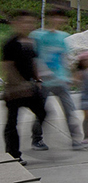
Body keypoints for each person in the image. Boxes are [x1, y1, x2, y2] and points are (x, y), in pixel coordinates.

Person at [32, 9, 82, 149]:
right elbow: (34, 58)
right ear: (49, 18)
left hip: (60, 80)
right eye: (55, 17)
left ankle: (76, 140)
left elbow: (63, 58)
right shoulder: (38, 36)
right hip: (44, 81)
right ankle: (37, 139)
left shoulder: (63, 37)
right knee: (41, 112)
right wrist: (37, 78)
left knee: (69, 110)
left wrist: (69, 76)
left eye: (61, 18)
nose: (58, 21)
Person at [3, 12, 48, 164]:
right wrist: (20, 84)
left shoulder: (30, 41)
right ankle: (13, 155)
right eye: (25, 22)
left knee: (43, 112)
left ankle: (36, 137)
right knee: (12, 123)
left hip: (30, 87)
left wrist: (37, 79)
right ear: (16, 23)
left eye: (31, 22)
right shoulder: (10, 44)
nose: (28, 25)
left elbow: (33, 62)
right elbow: (8, 67)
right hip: (15, 91)